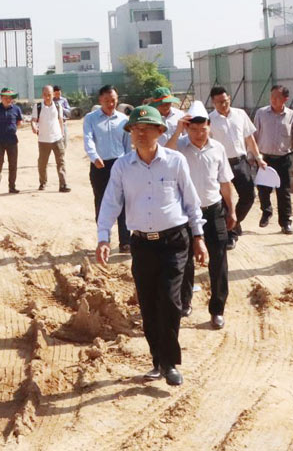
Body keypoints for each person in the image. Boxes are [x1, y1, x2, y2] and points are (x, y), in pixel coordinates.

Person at [95, 105, 206, 386]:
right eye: (136, 129)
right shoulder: (122, 166)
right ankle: (157, 359)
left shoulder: (175, 161)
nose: (141, 134)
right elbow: (110, 202)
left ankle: (169, 364)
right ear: (130, 133)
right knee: (148, 305)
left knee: (170, 301)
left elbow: (191, 202)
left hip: (174, 242)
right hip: (142, 244)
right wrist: (103, 237)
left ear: (160, 131)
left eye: (147, 128)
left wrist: (199, 237)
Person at [165, 103, 237, 329]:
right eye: (193, 129)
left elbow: (225, 182)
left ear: (209, 126)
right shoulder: (179, 147)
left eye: (202, 129)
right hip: (184, 214)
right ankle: (185, 303)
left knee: (218, 260)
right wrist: (177, 131)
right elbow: (165, 152)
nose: (198, 134)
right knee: (184, 261)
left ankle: (217, 309)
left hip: (213, 210)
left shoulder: (217, 149)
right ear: (187, 129)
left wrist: (231, 209)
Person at [209, 85, 266, 249]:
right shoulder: (210, 120)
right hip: (220, 164)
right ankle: (231, 235)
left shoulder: (240, 114)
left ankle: (233, 222)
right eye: (219, 102)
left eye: (225, 101)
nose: (223, 104)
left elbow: (249, 139)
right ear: (213, 102)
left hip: (240, 162)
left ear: (229, 98)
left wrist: (258, 158)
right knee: (225, 201)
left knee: (249, 196)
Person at [253, 85, 293, 234]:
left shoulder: (292, 116)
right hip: (264, 158)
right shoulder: (261, 114)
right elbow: (254, 136)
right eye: (272, 96)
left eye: (278, 97)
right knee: (263, 189)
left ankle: (285, 222)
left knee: (283, 191)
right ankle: (266, 212)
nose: (274, 100)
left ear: (285, 99)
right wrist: (252, 155)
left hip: (283, 159)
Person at [83, 85, 132, 251]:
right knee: (102, 203)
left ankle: (126, 241)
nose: (110, 104)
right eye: (107, 101)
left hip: (119, 165)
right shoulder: (91, 118)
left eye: (113, 100)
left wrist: (128, 163)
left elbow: (127, 144)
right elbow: (88, 139)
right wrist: (94, 156)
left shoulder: (124, 120)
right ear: (100, 100)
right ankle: (104, 240)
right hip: (100, 165)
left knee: (124, 202)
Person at [30, 85, 70, 192]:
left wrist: (62, 134)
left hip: (57, 138)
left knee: (61, 162)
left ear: (53, 95)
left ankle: (63, 184)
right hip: (43, 140)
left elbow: (60, 120)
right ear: (42, 95)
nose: (47, 97)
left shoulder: (58, 106)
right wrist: (34, 126)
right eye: (45, 95)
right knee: (42, 164)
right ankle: (43, 182)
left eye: (49, 95)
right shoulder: (38, 106)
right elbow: (33, 120)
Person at [0, 87, 24, 193]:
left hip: (12, 141)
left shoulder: (16, 109)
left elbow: (20, 122)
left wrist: (14, 128)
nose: (8, 100)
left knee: (13, 164)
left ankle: (12, 186)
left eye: (10, 98)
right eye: (6, 97)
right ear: (1, 98)